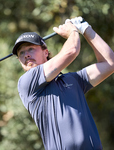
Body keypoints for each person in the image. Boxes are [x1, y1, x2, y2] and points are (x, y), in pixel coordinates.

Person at [12, 16, 114, 150]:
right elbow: (71, 51)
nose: (26, 55)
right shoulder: (27, 82)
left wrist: (86, 29)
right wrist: (73, 31)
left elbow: (110, 63)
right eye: (21, 53)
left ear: (45, 52)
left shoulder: (73, 79)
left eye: (30, 49)